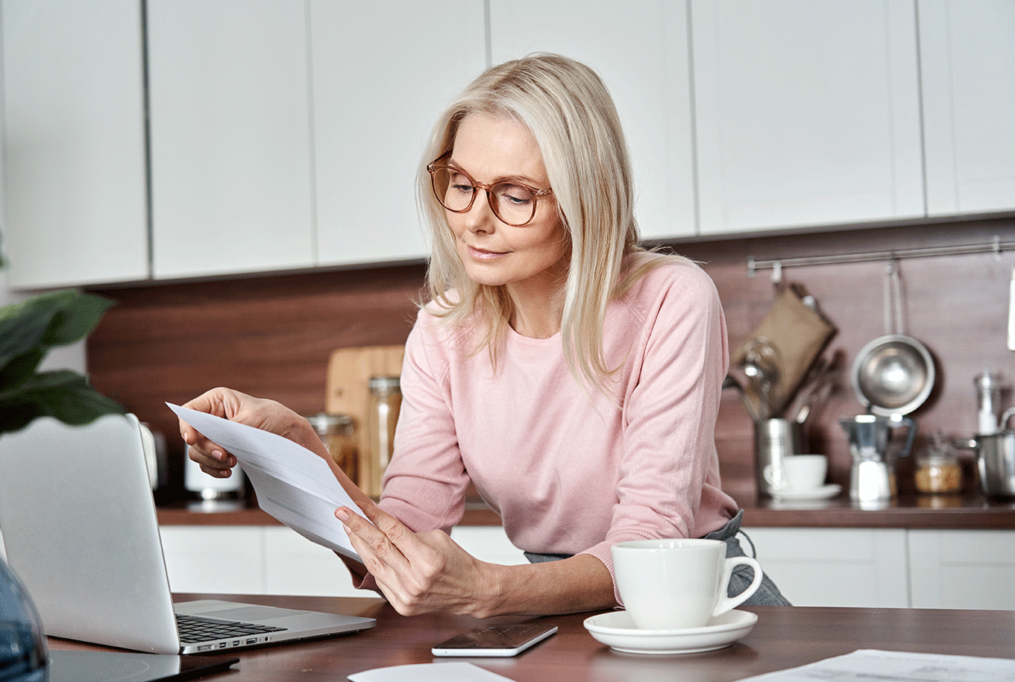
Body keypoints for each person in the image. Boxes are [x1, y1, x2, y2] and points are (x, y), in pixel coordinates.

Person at [180, 53, 789, 618]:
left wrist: (492, 592)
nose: (473, 219)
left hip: (695, 601)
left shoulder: (671, 298)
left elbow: (651, 542)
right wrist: (299, 449)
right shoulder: (446, 329)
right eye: (462, 183)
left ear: (585, 200)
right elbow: (405, 539)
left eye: (516, 195)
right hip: (552, 606)